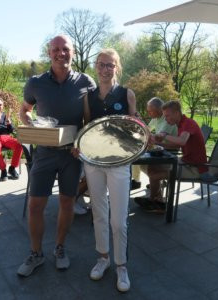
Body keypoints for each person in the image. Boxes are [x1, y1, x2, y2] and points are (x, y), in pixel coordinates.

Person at [17, 35, 96, 277]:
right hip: (44, 154)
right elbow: (24, 111)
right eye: (55, 49)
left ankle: (60, 248)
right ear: (49, 52)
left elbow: (89, 120)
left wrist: (83, 141)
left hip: (71, 155)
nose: (60, 53)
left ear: (72, 52)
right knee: (35, 205)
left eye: (65, 49)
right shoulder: (35, 83)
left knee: (66, 203)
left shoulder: (86, 82)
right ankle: (36, 253)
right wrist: (31, 124)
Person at [83, 48, 136, 292]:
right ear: (96, 66)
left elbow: (135, 128)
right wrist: (79, 147)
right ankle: (103, 258)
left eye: (110, 65)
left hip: (119, 162)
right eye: (102, 64)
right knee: (99, 214)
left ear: (117, 67)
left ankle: (121, 266)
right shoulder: (88, 97)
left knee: (119, 219)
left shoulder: (127, 94)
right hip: (94, 162)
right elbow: (86, 128)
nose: (106, 69)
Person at [138, 100, 208, 213]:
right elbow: (176, 144)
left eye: (167, 116)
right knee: (152, 167)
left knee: (154, 175)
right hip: (186, 161)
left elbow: (182, 142)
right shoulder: (181, 124)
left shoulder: (188, 123)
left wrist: (165, 135)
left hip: (196, 168)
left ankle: (154, 201)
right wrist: (159, 143)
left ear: (176, 113)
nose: (165, 119)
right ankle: (156, 200)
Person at [132, 97, 177, 190]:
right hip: (159, 148)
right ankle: (141, 181)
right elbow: (147, 129)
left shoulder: (167, 120)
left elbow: (159, 138)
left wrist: (144, 135)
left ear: (159, 110)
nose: (148, 113)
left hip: (168, 151)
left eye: (150, 111)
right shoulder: (156, 118)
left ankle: (156, 180)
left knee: (139, 159)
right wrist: (140, 122)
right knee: (135, 154)